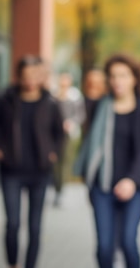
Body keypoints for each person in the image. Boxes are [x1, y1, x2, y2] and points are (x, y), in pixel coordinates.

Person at [0, 55, 65, 268]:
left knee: (35, 227)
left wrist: (53, 152)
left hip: (40, 172)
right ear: (19, 76)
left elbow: (60, 134)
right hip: (11, 171)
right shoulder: (5, 99)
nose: (30, 81)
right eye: (26, 76)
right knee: (13, 224)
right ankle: (13, 263)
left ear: (41, 77)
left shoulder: (50, 103)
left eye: (35, 75)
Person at [74, 54, 140, 268]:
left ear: (134, 79)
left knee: (128, 242)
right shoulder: (98, 106)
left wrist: (131, 180)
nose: (117, 81)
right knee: (105, 247)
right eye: (112, 76)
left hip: (134, 186)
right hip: (102, 186)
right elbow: (90, 145)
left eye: (123, 75)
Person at [52, 71, 85, 207]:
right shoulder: (54, 95)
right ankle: (56, 187)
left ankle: (61, 191)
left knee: (65, 162)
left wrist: (70, 123)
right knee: (55, 163)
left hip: (69, 134)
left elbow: (80, 115)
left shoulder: (75, 96)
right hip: (55, 134)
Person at [82, 68, 107, 134]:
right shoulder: (82, 101)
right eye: (91, 82)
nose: (94, 85)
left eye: (96, 83)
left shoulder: (106, 103)